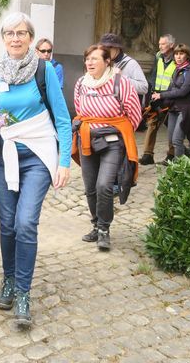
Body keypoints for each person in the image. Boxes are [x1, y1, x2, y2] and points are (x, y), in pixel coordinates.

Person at [0, 12, 72, 328]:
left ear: (30, 38)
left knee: (25, 223)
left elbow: (62, 119)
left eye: (22, 33)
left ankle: (22, 292)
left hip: (36, 156)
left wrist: (64, 161)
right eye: (10, 33)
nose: (16, 38)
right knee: (7, 225)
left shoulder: (44, 71)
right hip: (5, 156)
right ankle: (8, 280)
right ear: (3, 39)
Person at [72, 45, 142, 251]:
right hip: (86, 140)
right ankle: (95, 225)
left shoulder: (121, 83)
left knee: (104, 185)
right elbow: (79, 108)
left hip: (113, 143)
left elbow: (134, 114)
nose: (89, 63)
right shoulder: (81, 84)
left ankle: (104, 230)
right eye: (87, 59)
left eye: (94, 59)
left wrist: (116, 129)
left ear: (107, 61)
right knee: (90, 187)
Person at [151, 44, 190, 159]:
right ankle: (186, 157)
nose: (178, 57)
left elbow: (183, 91)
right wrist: (158, 96)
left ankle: (178, 169)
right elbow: (172, 89)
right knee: (171, 140)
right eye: (176, 54)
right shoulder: (177, 69)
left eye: (181, 54)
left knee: (177, 140)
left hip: (186, 109)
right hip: (174, 108)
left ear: (187, 55)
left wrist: (161, 95)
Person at [140, 34, 177, 165]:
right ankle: (147, 154)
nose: (160, 46)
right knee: (152, 123)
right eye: (159, 44)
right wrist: (152, 91)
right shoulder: (158, 56)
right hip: (157, 95)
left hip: (171, 96)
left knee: (171, 126)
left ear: (171, 45)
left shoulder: (178, 58)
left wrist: (168, 94)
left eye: (163, 44)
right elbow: (154, 74)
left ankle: (172, 154)